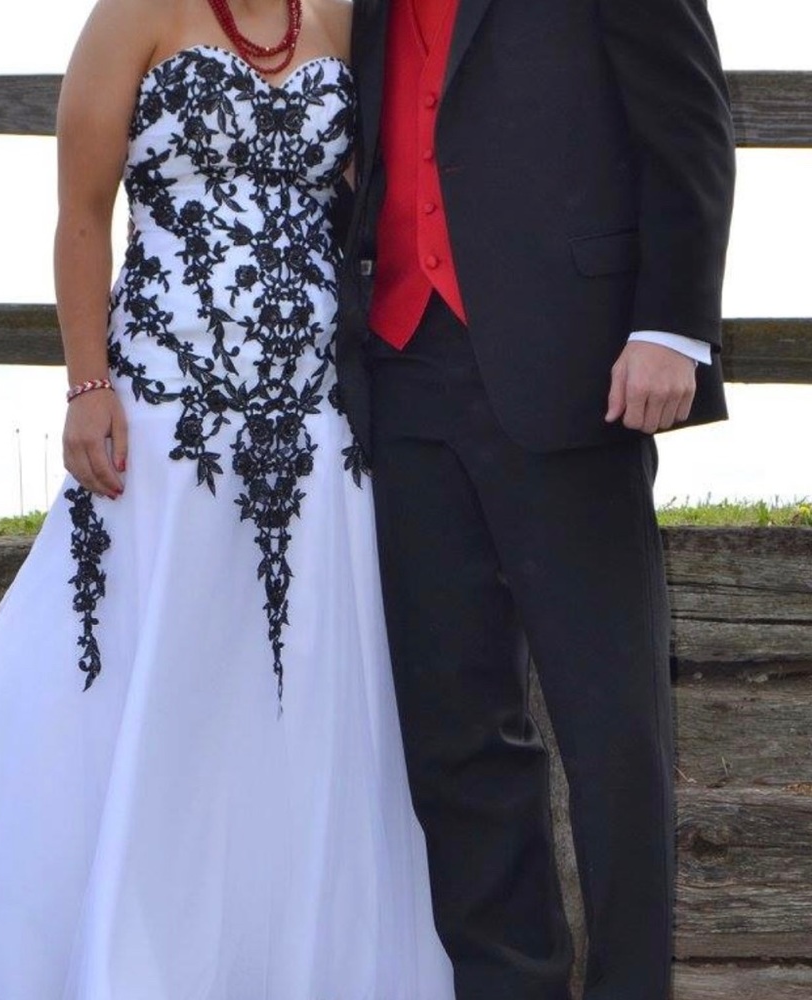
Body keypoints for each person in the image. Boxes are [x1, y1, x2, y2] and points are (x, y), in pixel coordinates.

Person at [0, 1, 454, 997]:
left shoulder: (341, 21)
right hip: (164, 412)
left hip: (312, 421)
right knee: (149, 667)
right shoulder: (136, 13)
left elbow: (377, 197)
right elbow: (82, 213)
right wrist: (88, 385)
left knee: (302, 683)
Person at [337, 0, 736, 998]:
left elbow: (689, 118)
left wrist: (672, 325)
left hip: (576, 362)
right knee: (457, 729)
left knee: (612, 731)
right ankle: (507, 979)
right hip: (401, 366)